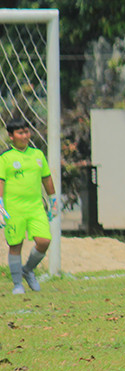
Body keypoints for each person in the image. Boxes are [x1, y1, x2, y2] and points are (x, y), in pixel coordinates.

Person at [0, 117, 58, 294]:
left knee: (44, 241)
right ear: (11, 136)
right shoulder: (5, 158)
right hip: (13, 208)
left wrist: (53, 199)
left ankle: (28, 269)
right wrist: (0, 205)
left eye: (26, 132)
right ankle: (17, 284)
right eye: (20, 132)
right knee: (15, 244)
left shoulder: (37, 155)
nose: (25, 136)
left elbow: (46, 178)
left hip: (35, 207)